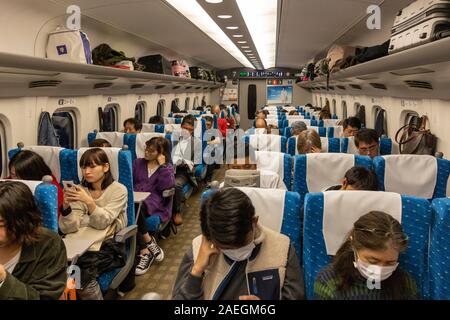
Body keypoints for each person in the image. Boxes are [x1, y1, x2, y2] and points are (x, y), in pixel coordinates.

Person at [172, 188, 305, 300]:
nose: (235, 252)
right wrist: (196, 271)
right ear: (210, 238)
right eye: (226, 248)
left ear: (254, 222)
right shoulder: (197, 250)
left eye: (242, 245)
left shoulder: (282, 248)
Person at [59, 148, 128, 300]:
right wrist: (65, 208)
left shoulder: (119, 190)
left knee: (80, 275)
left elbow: (102, 223)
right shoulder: (79, 190)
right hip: (77, 244)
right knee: (55, 271)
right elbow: (68, 227)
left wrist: (88, 203)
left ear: (105, 167)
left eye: (92, 166)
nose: (86, 171)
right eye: (83, 167)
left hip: (107, 245)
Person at [314, 211, 418, 300]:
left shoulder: (405, 284)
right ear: (354, 246)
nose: (380, 269)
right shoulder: (329, 282)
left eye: (390, 263)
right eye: (372, 261)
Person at [0, 181, 67, 300]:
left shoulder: (47, 244)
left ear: (21, 222)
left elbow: (45, 296)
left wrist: (3, 278)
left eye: (1, 224)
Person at [133, 137, 175, 275]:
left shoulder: (166, 167)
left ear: (161, 152)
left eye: (151, 151)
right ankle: (148, 243)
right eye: (146, 149)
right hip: (135, 197)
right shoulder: (137, 163)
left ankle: (145, 252)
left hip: (154, 200)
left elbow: (167, 187)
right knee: (133, 207)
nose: (146, 152)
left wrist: (162, 166)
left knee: (136, 208)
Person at [9, 150, 64, 217]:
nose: (15, 180)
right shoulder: (10, 180)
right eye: (13, 175)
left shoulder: (51, 190)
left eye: (19, 176)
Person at [172, 115, 202, 226]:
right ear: (181, 127)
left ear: (193, 130)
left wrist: (186, 163)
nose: (187, 131)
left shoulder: (197, 142)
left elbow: (197, 162)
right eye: (185, 128)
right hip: (168, 168)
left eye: (190, 129)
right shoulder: (172, 138)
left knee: (176, 185)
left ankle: (177, 211)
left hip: (183, 172)